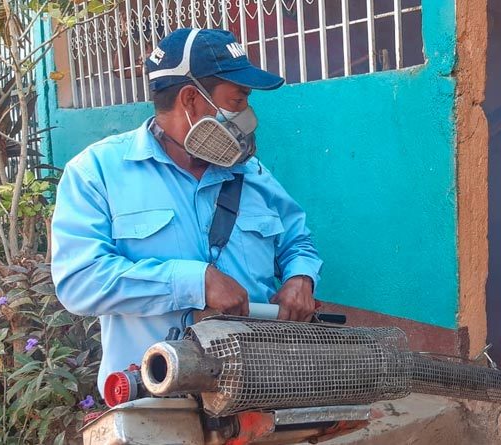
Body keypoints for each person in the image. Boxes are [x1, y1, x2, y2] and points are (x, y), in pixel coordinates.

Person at [51, 28, 323, 393]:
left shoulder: (253, 173)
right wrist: (196, 281)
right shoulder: (95, 172)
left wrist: (300, 279)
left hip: (257, 392)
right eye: (238, 100)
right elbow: (79, 281)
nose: (247, 116)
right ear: (192, 99)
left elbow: (297, 241)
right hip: (155, 400)